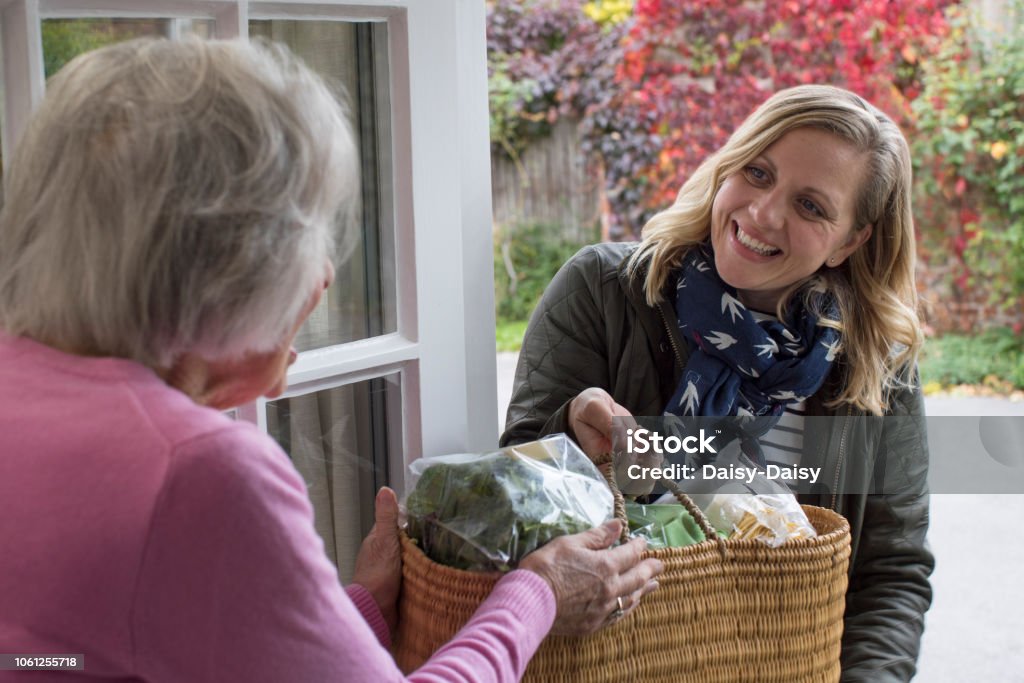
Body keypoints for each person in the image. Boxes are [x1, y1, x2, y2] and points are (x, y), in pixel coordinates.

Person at [0, 38, 663, 682]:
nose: (323, 275)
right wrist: (542, 583)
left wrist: (355, 610)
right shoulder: (201, 473)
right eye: (755, 174)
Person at [502, 84, 933, 682]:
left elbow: (890, 575)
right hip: (617, 662)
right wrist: (569, 432)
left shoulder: (877, 364)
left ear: (851, 240)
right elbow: (512, 502)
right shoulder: (604, 291)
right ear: (729, 165)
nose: (763, 213)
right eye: (757, 173)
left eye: (811, 206)